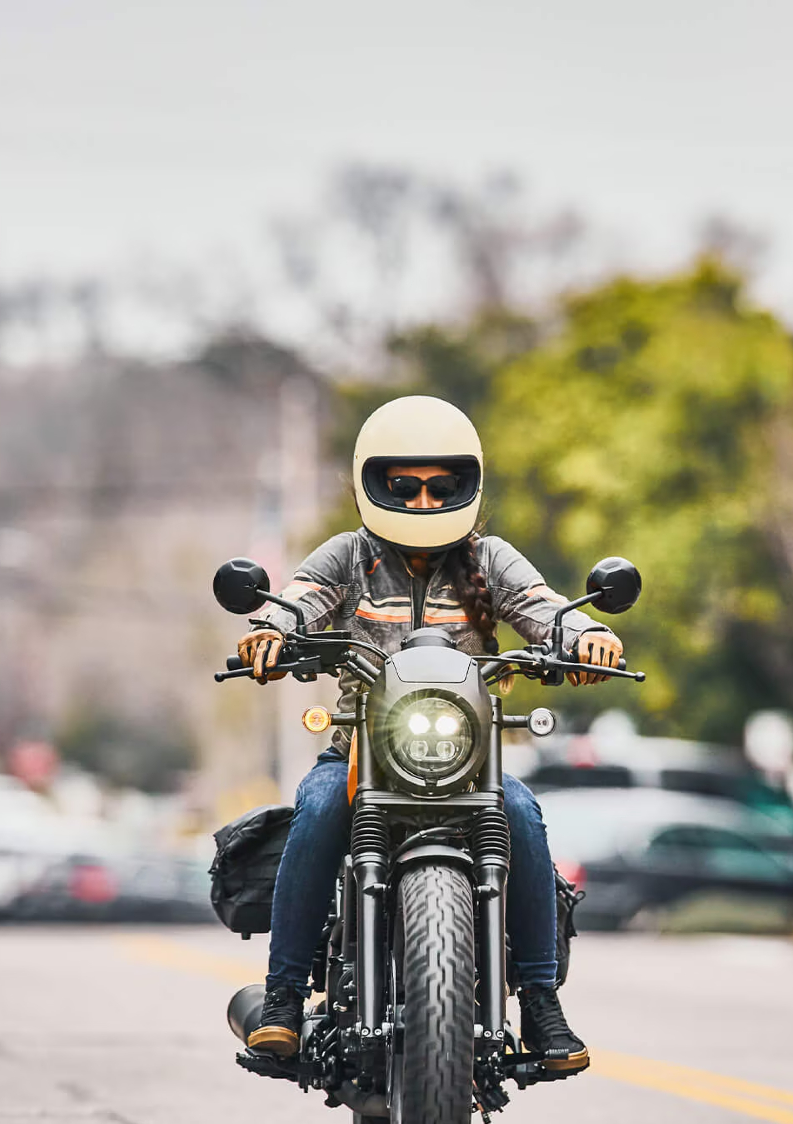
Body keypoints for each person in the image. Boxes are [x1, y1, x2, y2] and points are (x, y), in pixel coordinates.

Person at [236, 395, 623, 1073]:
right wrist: (272, 631)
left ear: (466, 486)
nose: (421, 501)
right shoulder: (348, 557)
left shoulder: (489, 558)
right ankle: (284, 996)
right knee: (321, 804)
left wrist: (586, 635)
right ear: (372, 483)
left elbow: (545, 608)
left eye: (439, 487)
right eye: (403, 486)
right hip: (358, 750)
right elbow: (298, 600)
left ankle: (538, 998)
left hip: (471, 760)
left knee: (523, 814)